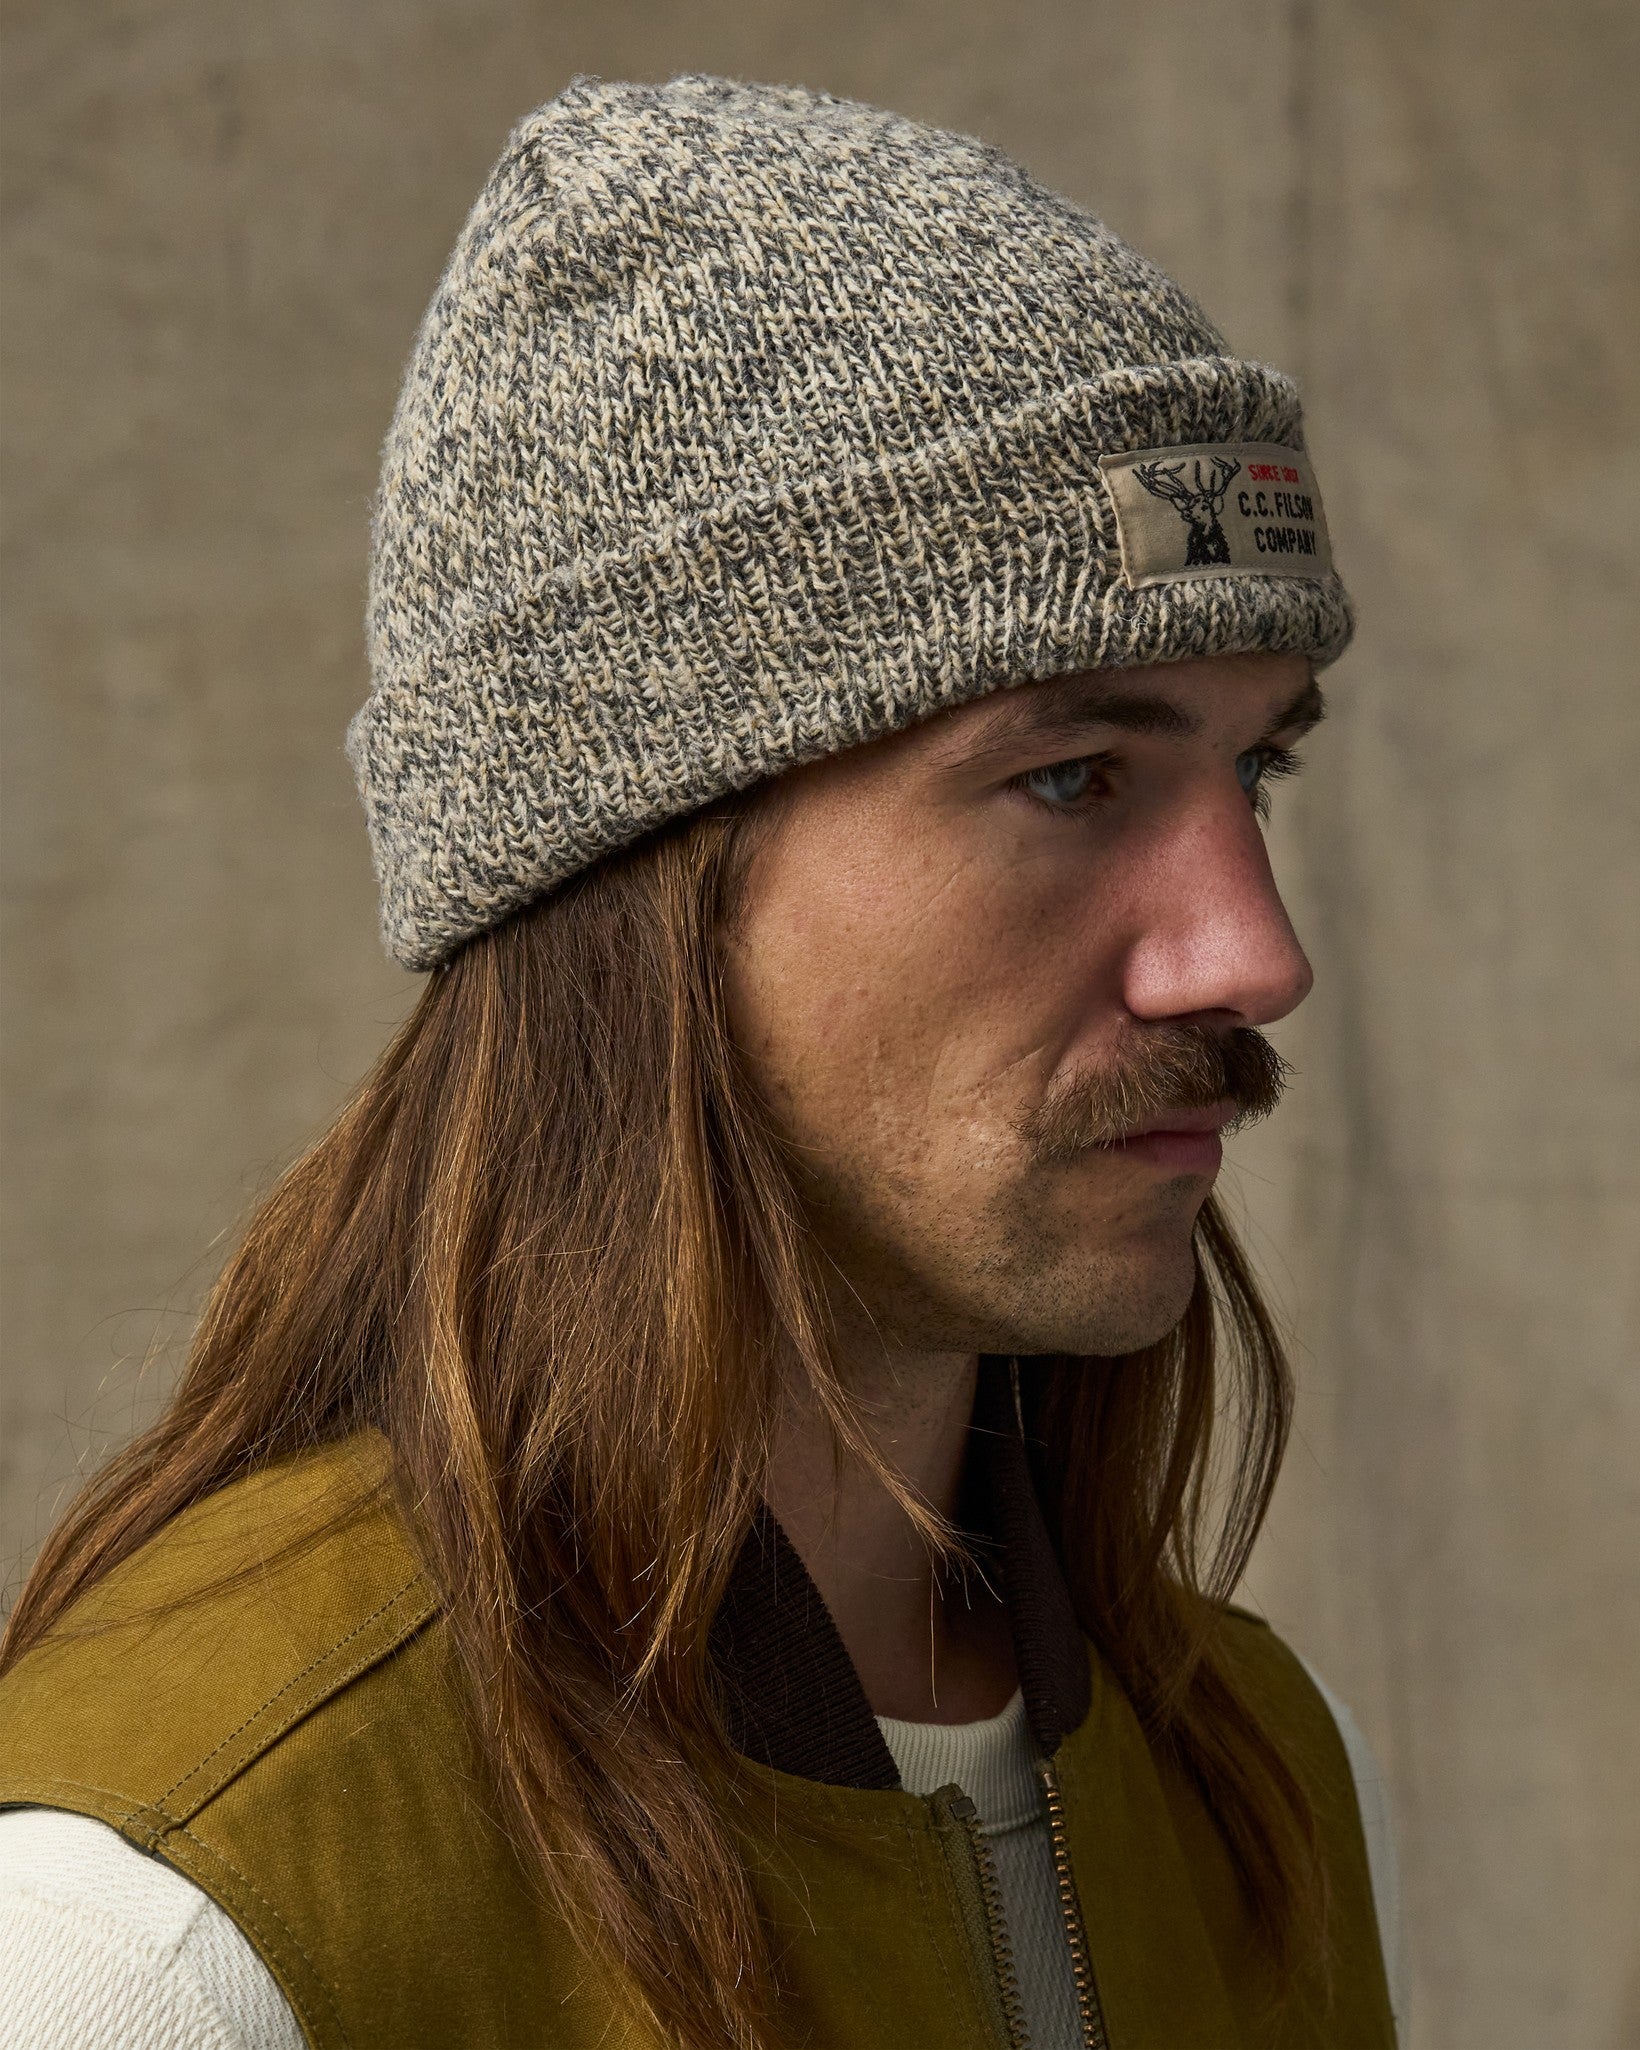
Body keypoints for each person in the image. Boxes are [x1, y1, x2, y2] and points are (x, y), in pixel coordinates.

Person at [0, 72, 1406, 2050]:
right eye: (1074, 775)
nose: (1255, 951)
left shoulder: (1262, 1778)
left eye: (1251, 768)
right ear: (638, 875)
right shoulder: (153, 1938)